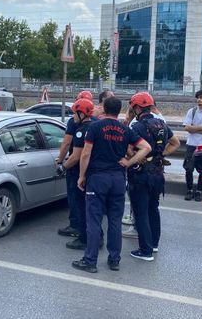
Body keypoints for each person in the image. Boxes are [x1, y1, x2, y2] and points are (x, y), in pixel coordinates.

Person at [73, 97, 151, 273]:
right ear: (119, 110)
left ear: (104, 109)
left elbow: (85, 153)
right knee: (115, 221)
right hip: (117, 179)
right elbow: (146, 147)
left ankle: (90, 260)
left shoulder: (94, 127)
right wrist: (129, 163)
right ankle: (114, 260)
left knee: (94, 220)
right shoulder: (125, 129)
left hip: (98, 178)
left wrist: (81, 175)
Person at [127, 92, 180, 261]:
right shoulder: (162, 124)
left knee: (140, 212)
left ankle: (145, 250)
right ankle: (154, 244)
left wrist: (136, 158)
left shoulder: (137, 127)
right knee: (153, 209)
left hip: (141, 174)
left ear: (136, 108)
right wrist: (160, 155)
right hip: (158, 173)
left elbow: (127, 148)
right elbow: (176, 143)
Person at [56, 90, 94, 238]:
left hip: (76, 166)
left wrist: (61, 163)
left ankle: (76, 227)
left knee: (75, 198)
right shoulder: (95, 122)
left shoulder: (77, 125)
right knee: (87, 201)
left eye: (74, 113)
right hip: (92, 168)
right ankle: (86, 229)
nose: (72, 116)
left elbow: (67, 145)